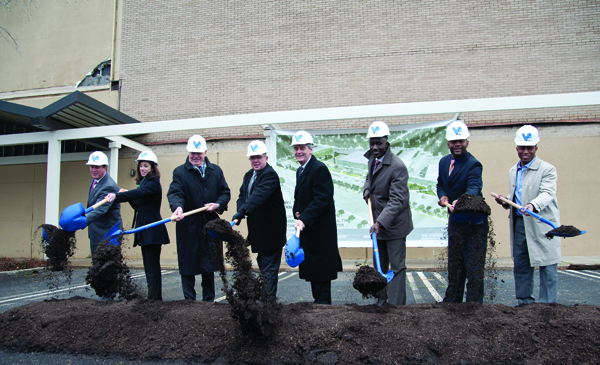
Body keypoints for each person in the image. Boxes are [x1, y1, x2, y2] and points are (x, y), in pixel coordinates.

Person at [494, 125, 561, 304]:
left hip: (543, 224)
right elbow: (518, 195)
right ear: (516, 148)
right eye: (521, 148)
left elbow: (547, 193)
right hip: (520, 224)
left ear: (536, 148)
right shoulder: (513, 171)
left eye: (529, 147)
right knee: (522, 263)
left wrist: (533, 205)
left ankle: (547, 305)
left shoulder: (547, 169)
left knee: (547, 263)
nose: (525, 151)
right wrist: (505, 200)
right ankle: (525, 303)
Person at [167, 135, 231, 302]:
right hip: (188, 224)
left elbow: (225, 193)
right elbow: (175, 193)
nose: (196, 156)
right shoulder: (180, 172)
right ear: (188, 152)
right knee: (188, 263)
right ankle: (189, 302)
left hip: (209, 223)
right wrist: (178, 208)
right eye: (192, 153)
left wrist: (217, 205)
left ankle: (208, 301)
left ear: (205, 152)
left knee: (208, 263)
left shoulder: (215, 171)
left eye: (199, 153)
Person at [105, 151, 170, 300]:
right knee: (148, 266)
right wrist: (126, 195)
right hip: (144, 229)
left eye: (146, 166)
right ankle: (152, 297)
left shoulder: (153, 182)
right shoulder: (143, 183)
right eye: (141, 166)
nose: (142, 168)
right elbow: (138, 205)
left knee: (152, 267)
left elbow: (137, 194)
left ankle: (154, 299)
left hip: (152, 229)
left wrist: (118, 196)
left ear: (153, 168)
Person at [363, 121, 413, 306]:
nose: (375, 147)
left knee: (397, 267)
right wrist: (366, 189)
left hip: (395, 226)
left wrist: (380, 223)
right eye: (372, 143)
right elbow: (369, 177)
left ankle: (397, 305)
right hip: (379, 223)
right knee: (380, 265)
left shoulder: (397, 167)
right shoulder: (372, 159)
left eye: (379, 143)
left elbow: (397, 201)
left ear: (387, 142)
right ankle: (381, 301)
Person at [436, 121, 487, 303]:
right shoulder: (443, 162)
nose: (457, 144)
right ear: (448, 143)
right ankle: (452, 302)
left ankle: (473, 305)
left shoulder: (474, 165)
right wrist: (443, 197)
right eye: (454, 141)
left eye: (461, 141)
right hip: (456, 221)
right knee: (455, 265)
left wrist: (461, 201)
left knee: (473, 267)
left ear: (467, 142)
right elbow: (441, 184)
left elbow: (474, 187)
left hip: (474, 224)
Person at [232, 140, 286, 300]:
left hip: (271, 234)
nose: (255, 160)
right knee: (264, 267)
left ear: (266, 158)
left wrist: (242, 212)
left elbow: (258, 197)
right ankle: (266, 303)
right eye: (252, 157)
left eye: (258, 157)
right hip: (258, 233)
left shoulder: (270, 175)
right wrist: (239, 211)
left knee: (269, 271)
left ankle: (268, 306)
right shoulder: (249, 175)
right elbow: (243, 196)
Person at [291, 130, 340, 305]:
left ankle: (324, 314)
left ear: (311, 149)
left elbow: (321, 199)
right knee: (315, 277)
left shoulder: (319, 169)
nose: (298, 151)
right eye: (296, 148)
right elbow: (303, 198)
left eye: (302, 148)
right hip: (310, 235)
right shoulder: (301, 170)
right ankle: (319, 307)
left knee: (321, 278)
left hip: (320, 236)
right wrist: (298, 213)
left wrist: (303, 218)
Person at [85, 151, 121, 263]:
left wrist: (82, 221)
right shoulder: (95, 180)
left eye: (97, 167)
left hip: (106, 233)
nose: (93, 170)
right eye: (91, 167)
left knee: (107, 267)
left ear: (105, 167)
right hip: (96, 231)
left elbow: (100, 209)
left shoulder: (108, 186)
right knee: (97, 265)